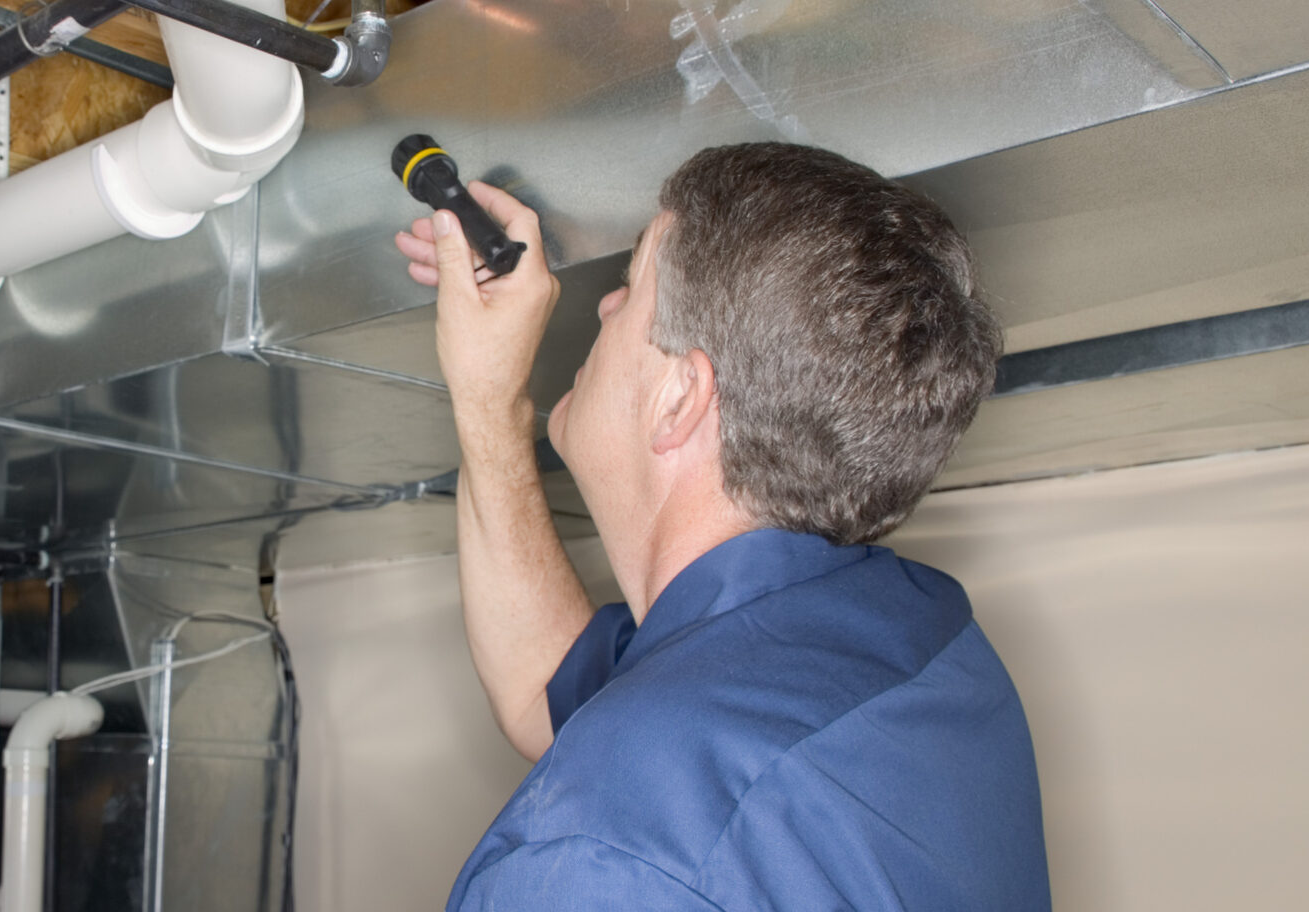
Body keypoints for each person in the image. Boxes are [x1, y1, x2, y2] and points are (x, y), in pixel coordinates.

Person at [392, 143, 1049, 910]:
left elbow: (648, 798)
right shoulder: (919, 634)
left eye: (630, 286)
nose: (602, 305)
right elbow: (547, 688)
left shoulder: (598, 861)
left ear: (680, 399)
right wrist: (488, 399)